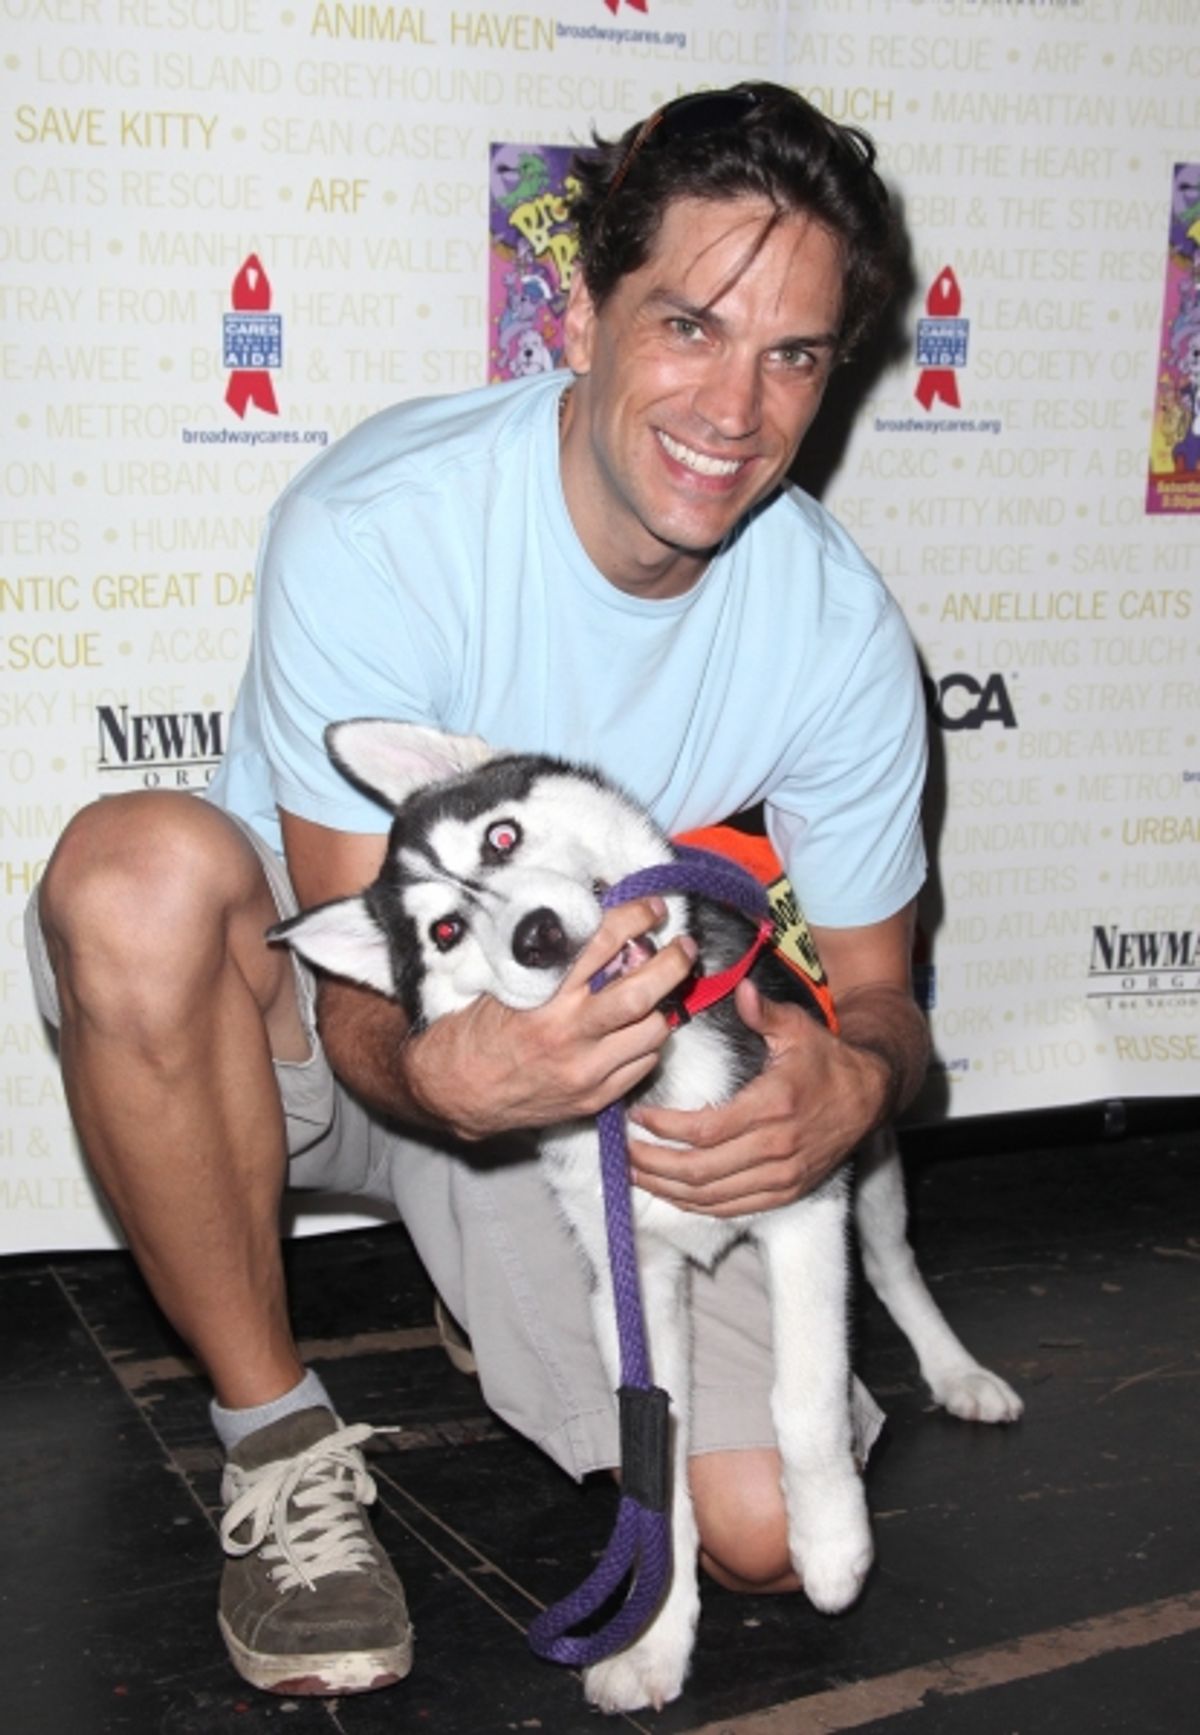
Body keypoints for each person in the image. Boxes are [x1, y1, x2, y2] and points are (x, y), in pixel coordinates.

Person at [27, 82, 929, 1698]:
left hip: (597, 1078)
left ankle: (493, 1286)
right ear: (581, 316)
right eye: (691, 326)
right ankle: (274, 1438)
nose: (736, 407)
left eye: (794, 355)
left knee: (763, 1542)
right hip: (342, 1034)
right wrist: (453, 1078)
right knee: (137, 875)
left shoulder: (839, 630)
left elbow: (881, 999)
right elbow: (361, 987)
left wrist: (856, 1077)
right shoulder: (385, 526)